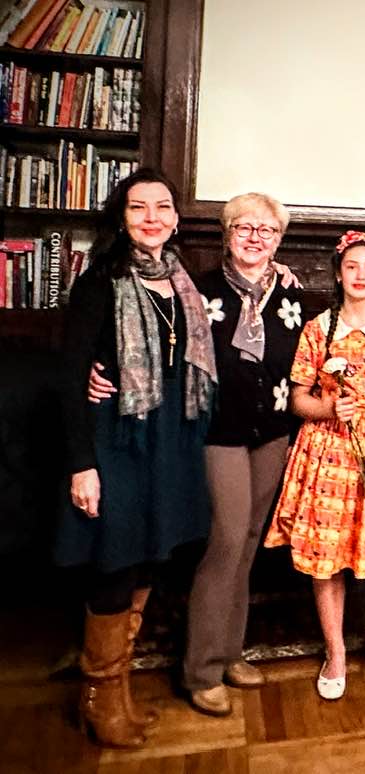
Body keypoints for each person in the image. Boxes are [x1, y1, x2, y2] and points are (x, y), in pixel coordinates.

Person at [87, 193, 305, 717]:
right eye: (244, 228)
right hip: (216, 432)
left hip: (273, 431)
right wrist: (95, 368)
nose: (255, 238)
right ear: (227, 234)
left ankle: (230, 653)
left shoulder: (292, 295)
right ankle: (201, 669)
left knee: (249, 543)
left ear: (279, 241)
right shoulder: (195, 289)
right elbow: (150, 341)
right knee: (225, 542)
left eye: (267, 231)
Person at [56, 168, 217, 747]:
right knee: (115, 561)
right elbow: (71, 377)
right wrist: (82, 465)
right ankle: (98, 697)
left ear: (175, 218)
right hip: (117, 438)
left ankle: (116, 691)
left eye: (162, 207)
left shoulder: (183, 280)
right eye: (138, 207)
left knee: (150, 557)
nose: (152, 217)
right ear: (121, 219)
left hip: (169, 438)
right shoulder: (100, 281)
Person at [264, 231, 365, 721]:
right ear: (339, 273)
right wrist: (328, 408)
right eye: (351, 266)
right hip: (328, 452)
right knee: (327, 564)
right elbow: (299, 399)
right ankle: (335, 655)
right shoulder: (318, 329)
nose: (360, 275)